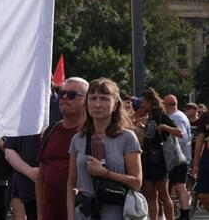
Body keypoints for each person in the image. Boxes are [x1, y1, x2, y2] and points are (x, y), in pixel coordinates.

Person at [66, 78, 143, 220]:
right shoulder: (78, 139)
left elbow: (137, 183)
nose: (97, 104)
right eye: (93, 98)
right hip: (85, 213)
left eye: (104, 99)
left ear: (115, 105)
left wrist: (105, 174)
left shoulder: (127, 137)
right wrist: (71, 216)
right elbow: (71, 183)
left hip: (117, 213)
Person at [37, 76, 87, 220]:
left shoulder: (91, 134)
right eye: (62, 93)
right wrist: (40, 215)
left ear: (86, 101)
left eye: (71, 95)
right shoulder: (51, 130)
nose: (64, 97)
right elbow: (41, 177)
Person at [138, 88, 182, 220]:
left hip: (159, 161)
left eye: (144, 102)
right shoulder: (148, 117)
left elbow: (180, 132)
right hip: (147, 159)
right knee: (151, 195)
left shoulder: (162, 117)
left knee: (164, 195)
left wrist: (165, 127)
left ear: (151, 102)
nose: (142, 105)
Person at [164, 94, 193, 220]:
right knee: (181, 187)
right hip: (183, 156)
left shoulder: (174, 117)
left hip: (177, 158)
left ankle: (183, 215)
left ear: (167, 104)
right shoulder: (181, 115)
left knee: (179, 187)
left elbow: (181, 136)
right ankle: (184, 215)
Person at [5, 134, 40, 220]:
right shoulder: (20, 124)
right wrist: (29, 171)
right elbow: (9, 150)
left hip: (59, 190)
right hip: (29, 188)